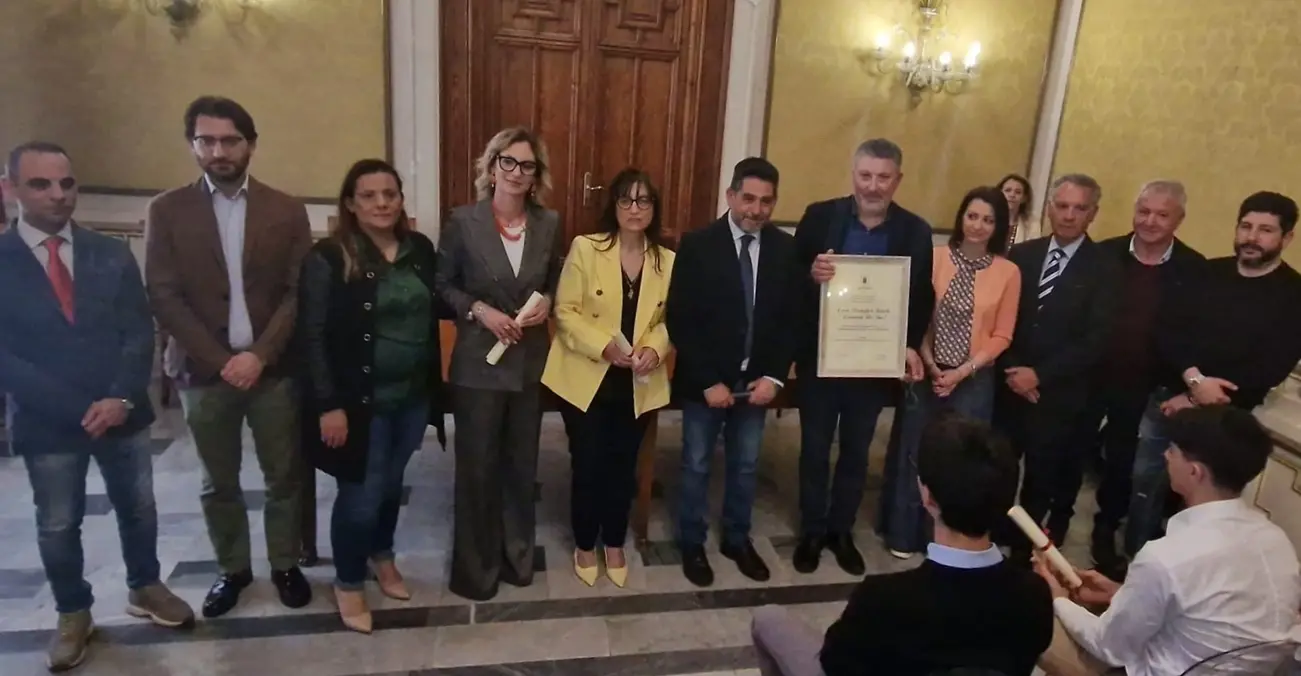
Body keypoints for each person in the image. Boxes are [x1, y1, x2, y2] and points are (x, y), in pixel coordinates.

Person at [0, 141, 194, 671]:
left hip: (122, 411)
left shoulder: (109, 253)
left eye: (67, 183)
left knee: (139, 507)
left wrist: (122, 397)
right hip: (48, 423)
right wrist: (75, 408)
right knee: (59, 523)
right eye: (41, 184)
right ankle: (73, 611)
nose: (58, 195)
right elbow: (6, 357)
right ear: (10, 189)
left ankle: (146, 586)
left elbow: (137, 331)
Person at [145, 96, 314, 617]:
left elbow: (297, 291)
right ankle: (234, 569)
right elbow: (163, 294)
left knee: (283, 475)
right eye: (206, 140)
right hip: (203, 371)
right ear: (193, 145)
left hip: (272, 369)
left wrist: (260, 355)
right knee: (218, 480)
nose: (218, 150)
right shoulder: (167, 210)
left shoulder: (286, 210)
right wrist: (222, 360)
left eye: (229, 140)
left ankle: (285, 563)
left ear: (251, 145)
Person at [752, 414, 1053, 676]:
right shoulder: (1035, 594)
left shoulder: (884, 598)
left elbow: (835, 663)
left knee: (768, 619)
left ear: (927, 496)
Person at [1036, 405, 1301, 676]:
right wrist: (1121, 593)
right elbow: (1212, 615)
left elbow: (1108, 647)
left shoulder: (1165, 557)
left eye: (1173, 449)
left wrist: (1057, 598)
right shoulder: (1276, 539)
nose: (1165, 454)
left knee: (1031, 615)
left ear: (1195, 472)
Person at [297, 159, 448, 633]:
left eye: (390, 193)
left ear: (401, 199)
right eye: (369, 195)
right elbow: (312, 336)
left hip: (411, 396)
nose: (382, 203)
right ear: (350, 203)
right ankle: (347, 581)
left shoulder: (419, 248)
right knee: (360, 495)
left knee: (390, 484)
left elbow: (439, 304)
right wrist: (328, 405)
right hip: (357, 403)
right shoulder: (328, 257)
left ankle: (382, 556)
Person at [1124, 190, 1301, 557]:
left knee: (1202, 504)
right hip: (1169, 402)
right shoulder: (1206, 271)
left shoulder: (1294, 294)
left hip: (1228, 420)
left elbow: (1269, 366)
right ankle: (1136, 562)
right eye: (1246, 226)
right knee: (1145, 485)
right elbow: (1168, 332)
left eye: (1265, 230)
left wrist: (1193, 396)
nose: (1252, 237)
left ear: (1286, 238)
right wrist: (1193, 381)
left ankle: (1184, 569)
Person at [793, 139, 934, 575]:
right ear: (853, 174)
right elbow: (789, 280)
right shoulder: (820, 216)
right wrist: (810, 275)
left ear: (898, 180)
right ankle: (812, 532)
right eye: (865, 175)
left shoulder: (914, 230)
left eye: (883, 177)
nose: (873, 186)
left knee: (856, 452)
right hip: (822, 359)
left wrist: (907, 343)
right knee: (815, 450)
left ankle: (841, 531)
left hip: (873, 364)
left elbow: (921, 294)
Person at [435, 127, 563, 601]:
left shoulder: (549, 223)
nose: (516, 173)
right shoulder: (462, 221)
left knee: (519, 465)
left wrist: (547, 302)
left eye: (526, 166)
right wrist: (479, 310)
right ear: (491, 168)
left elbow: (554, 281)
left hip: (528, 362)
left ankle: (516, 558)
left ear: (535, 176)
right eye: (507, 162)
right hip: (477, 364)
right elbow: (442, 285)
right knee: (477, 467)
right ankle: (476, 569)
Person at [665, 157, 799, 587]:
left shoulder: (785, 249)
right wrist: (707, 380)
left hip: (756, 383)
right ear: (731, 196)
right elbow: (682, 318)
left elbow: (788, 320)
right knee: (697, 464)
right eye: (748, 199)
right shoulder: (698, 245)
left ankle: (737, 540)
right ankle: (691, 542)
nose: (756, 210)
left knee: (745, 465)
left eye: (766, 201)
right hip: (707, 383)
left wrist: (775, 378)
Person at [542, 168, 675, 588]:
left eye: (644, 201)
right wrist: (604, 346)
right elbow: (565, 312)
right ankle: (585, 542)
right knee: (589, 463)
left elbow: (672, 318)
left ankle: (614, 542)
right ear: (614, 206)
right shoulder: (587, 248)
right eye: (626, 200)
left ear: (654, 208)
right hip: (587, 374)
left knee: (623, 466)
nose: (635, 209)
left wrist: (655, 347)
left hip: (638, 379)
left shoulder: (667, 260)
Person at [878, 185, 1021, 556]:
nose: (977, 225)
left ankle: (947, 537)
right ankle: (904, 535)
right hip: (925, 372)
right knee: (916, 452)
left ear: (999, 226)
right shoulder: (935, 256)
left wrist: (962, 372)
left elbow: (1003, 334)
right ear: (960, 218)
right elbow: (919, 313)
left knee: (961, 460)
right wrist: (928, 361)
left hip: (973, 379)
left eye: (988, 220)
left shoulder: (1008, 272)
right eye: (972, 216)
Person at [1078, 180, 1204, 572]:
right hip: (1091, 376)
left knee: (1124, 462)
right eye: (1143, 211)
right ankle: (1055, 521)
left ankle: (1107, 527)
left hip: (1148, 387)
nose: (1149, 221)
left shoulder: (1194, 269)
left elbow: (1193, 333)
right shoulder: (1103, 255)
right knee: (1072, 452)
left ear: (1178, 220)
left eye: (1161, 214)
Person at [994, 173, 1118, 557]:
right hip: (1009, 386)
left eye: (1079, 208)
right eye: (1061, 206)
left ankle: (1021, 550)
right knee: (998, 467)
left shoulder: (1106, 267)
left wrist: (1040, 375)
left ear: (1092, 214)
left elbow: (1096, 339)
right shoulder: (1022, 256)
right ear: (1049, 208)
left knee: (1040, 478)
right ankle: (991, 532)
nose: (1068, 215)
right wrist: (1015, 370)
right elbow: (1003, 319)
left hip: (1058, 395)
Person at [998, 173, 1035, 245]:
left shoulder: (1032, 225)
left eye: (1018, 192)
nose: (1012, 195)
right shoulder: (989, 220)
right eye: (1008, 190)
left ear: (1024, 198)